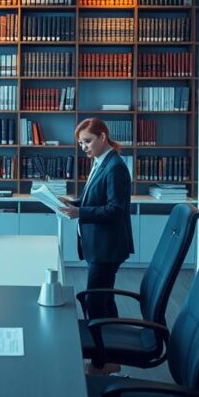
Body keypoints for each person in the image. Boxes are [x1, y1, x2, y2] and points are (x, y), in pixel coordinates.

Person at [58, 118, 134, 320]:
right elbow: (94, 199)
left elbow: (115, 210)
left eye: (87, 141)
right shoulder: (100, 162)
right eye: (80, 143)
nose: (83, 147)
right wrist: (73, 203)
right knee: (104, 297)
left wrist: (80, 213)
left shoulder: (115, 167)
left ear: (102, 137)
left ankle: (98, 337)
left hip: (107, 247)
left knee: (94, 300)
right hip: (98, 244)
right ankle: (112, 334)